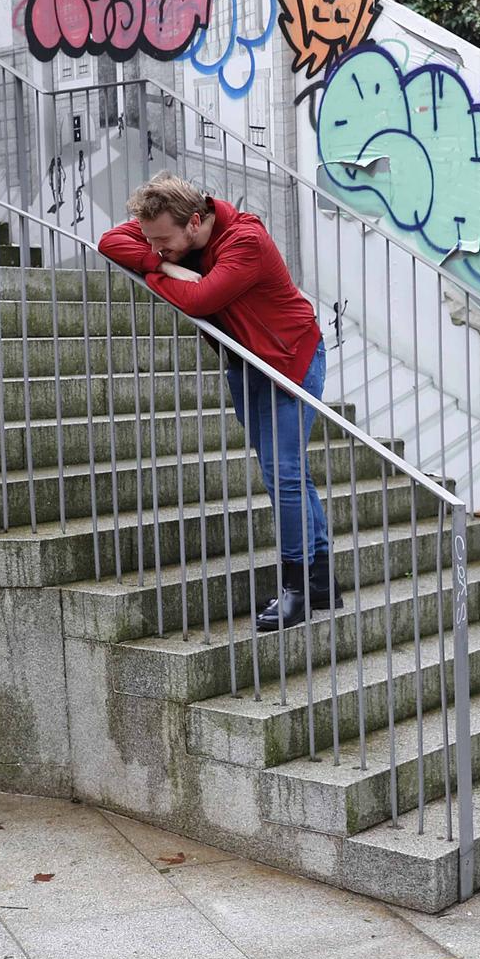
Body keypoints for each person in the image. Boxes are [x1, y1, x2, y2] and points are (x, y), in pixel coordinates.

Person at [97, 173, 340, 632]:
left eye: (163, 242)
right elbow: (111, 241)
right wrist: (165, 265)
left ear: (194, 222)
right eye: (149, 240)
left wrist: (162, 272)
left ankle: (297, 590)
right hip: (245, 362)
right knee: (286, 474)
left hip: (289, 361)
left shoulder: (245, 240)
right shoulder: (170, 238)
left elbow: (202, 298)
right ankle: (321, 579)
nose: (155, 247)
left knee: (284, 475)